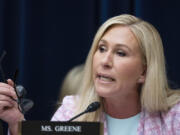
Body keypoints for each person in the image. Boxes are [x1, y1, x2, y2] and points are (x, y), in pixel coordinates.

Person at [1, 14, 180, 135]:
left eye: (121, 53)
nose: (105, 61)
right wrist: (16, 122)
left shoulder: (173, 116)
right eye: (101, 49)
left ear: (144, 72)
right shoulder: (74, 110)